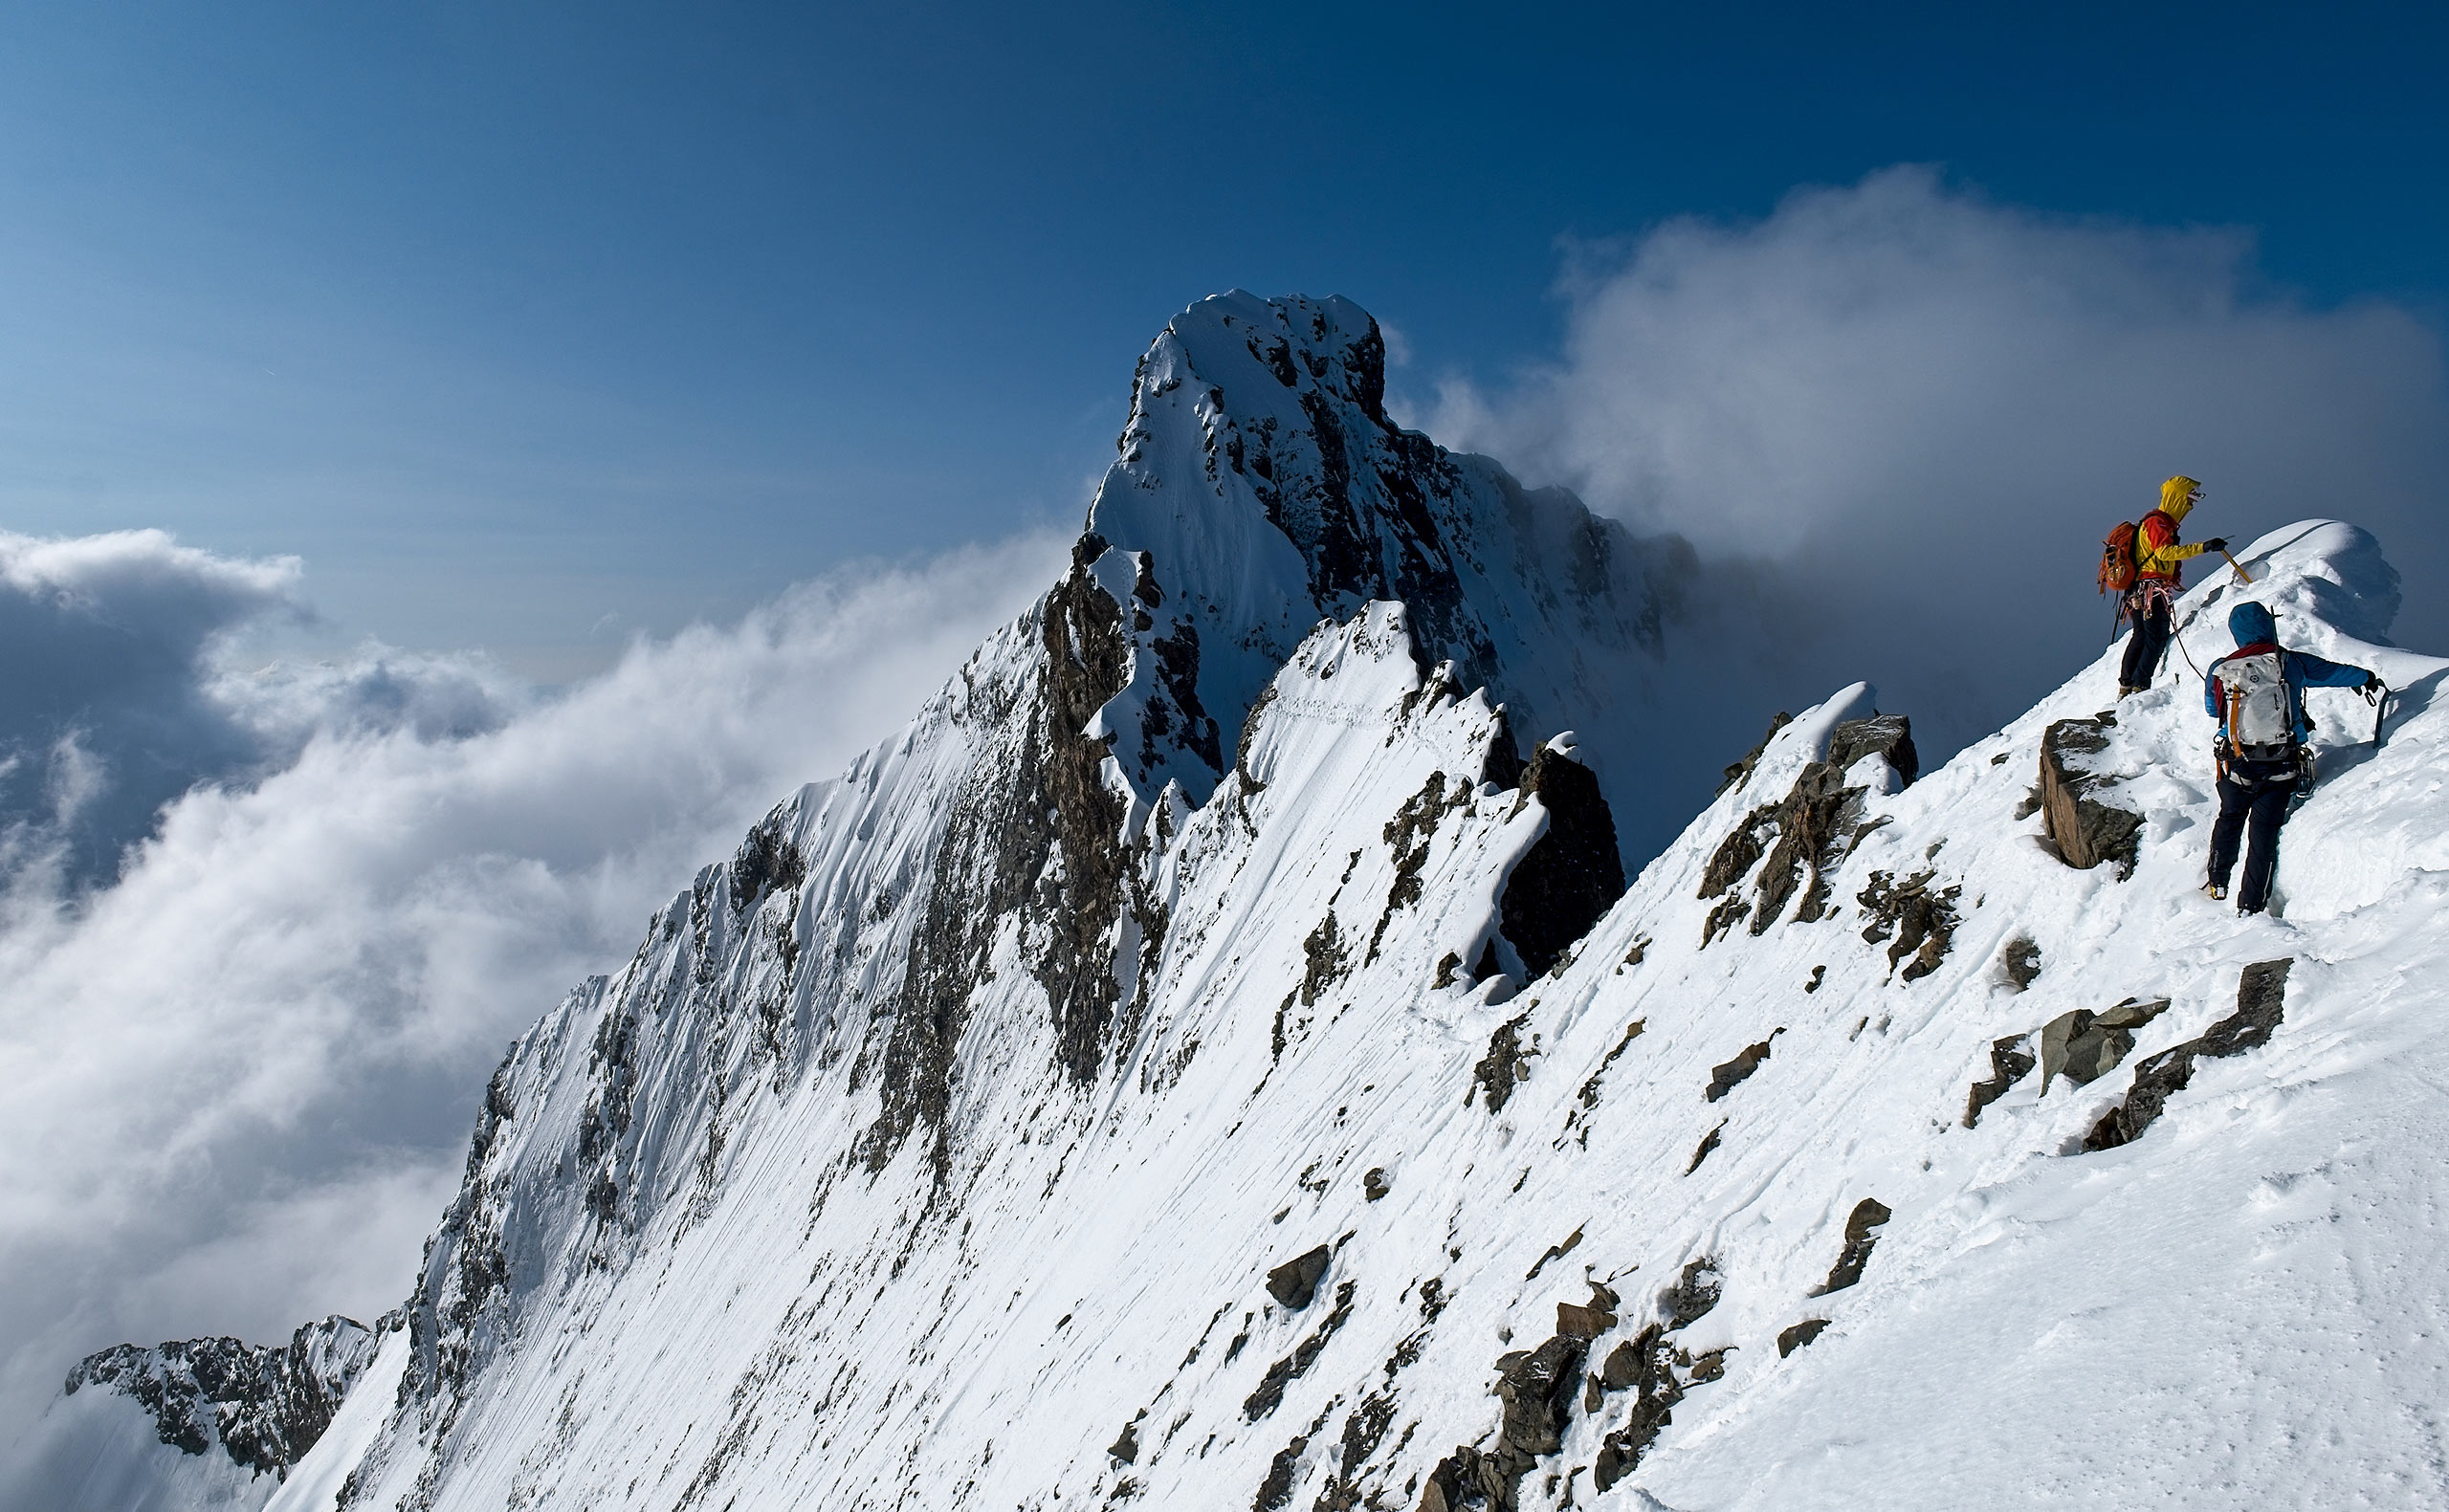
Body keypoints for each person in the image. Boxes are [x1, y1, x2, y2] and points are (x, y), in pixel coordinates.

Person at [2201, 601, 2378, 913]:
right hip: (2281, 764)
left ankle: (2217, 881)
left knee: (2229, 820)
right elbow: (2332, 673)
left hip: (2238, 763)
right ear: (2269, 627)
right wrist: (2365, 677)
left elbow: (2214, 711)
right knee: (2263, 832)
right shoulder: (2288, 662)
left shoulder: (2221, 668)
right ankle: (2251, 905)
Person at [2118, 475, 2228, 697]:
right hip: (2151, 588)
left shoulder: (2152, 523)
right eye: (2190, 497)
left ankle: (2127, 685)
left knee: (2140, 635)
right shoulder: (2157, 523)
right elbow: (2164, 553)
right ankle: (2140, 685)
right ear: (2177, 497)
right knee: (2155, 636)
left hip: (2138, 589)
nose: (2192, 504)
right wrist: (2204, 547)